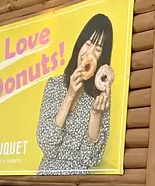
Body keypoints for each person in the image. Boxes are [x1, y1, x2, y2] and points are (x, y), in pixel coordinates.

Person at [36, 13, 113, 174]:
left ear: (101, 57)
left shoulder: (100, 96)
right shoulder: (54, 85)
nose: (89, 53)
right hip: (46, 180)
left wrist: (96, 114)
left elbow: (91, 158)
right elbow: (46, 143)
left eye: (98, 49)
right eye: (88, 43)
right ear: (79, 44)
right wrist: (70, 95)